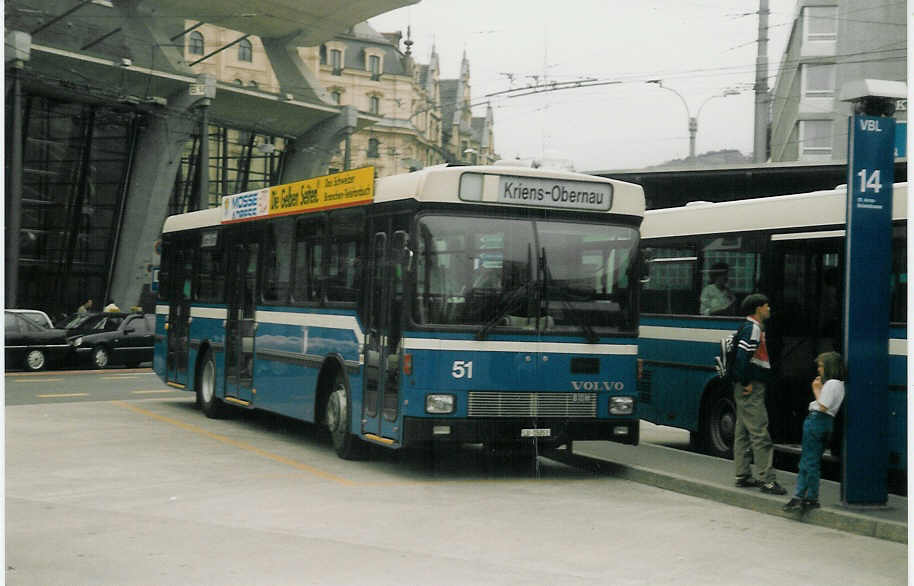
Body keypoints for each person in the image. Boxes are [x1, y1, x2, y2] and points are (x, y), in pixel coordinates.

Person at [731, 293, 787, 495]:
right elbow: (742, 357)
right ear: (758, 309)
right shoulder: (754, 328)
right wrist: (746, 381)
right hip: (751, 386)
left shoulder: (748, 327)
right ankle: (767, 480)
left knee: (742, 432)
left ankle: (743, 474)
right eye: (766, 306)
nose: (769, 309)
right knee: (759, 431)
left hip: (745, 385)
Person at [783, 352, 845, 513]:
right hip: (826, 423)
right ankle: (802, 496)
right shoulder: (840, 385)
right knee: (811, 460)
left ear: (829, 367)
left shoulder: (831, 384)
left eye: (821, 366)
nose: (819, 370)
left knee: (808, 462)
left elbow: (823, 405)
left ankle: (808, 497)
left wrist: (816, 389)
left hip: (817, 420)